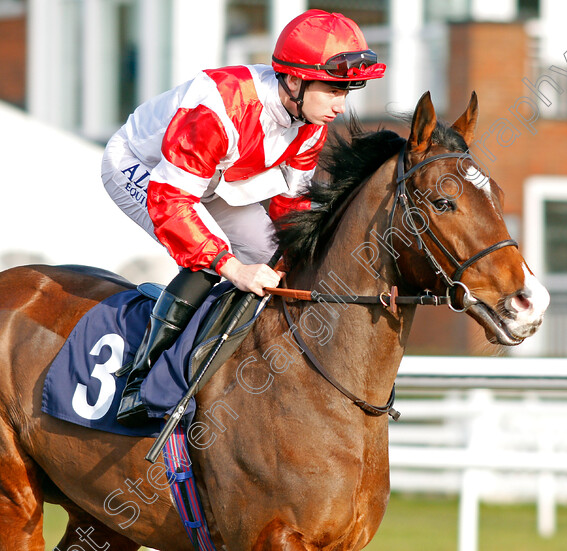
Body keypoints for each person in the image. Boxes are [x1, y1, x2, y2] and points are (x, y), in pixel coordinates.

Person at [101, 9, 386, 427]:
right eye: (332, 90)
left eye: (347, 91)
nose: (339, 107)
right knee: (211, 255)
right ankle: (140, 382)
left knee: (276, 259)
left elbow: (290, 205)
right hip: (145, 168)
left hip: (212, 180)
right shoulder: (219, 107)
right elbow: (173, 201)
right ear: (294, 79)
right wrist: (232, 267)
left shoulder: (309, 120)